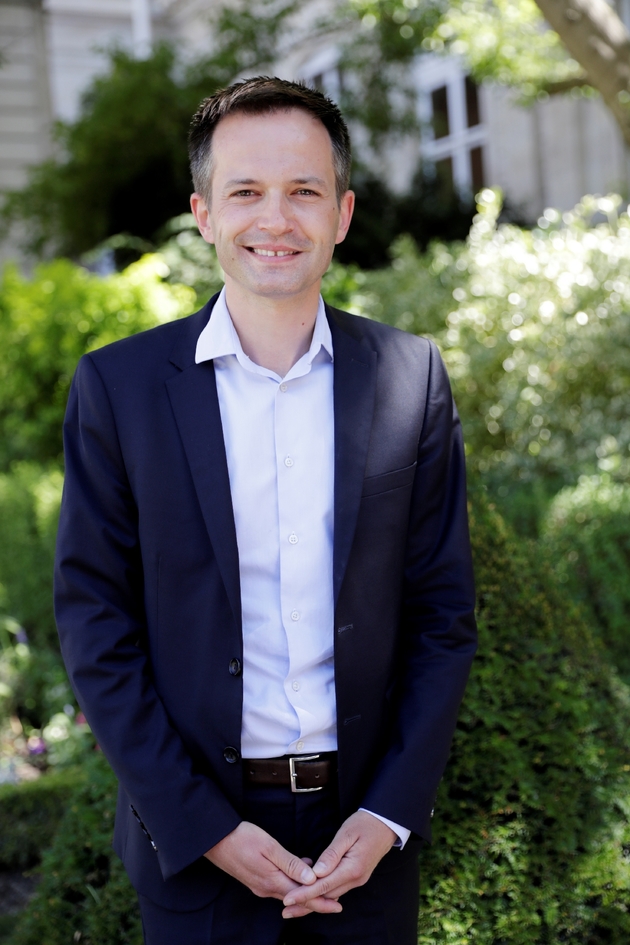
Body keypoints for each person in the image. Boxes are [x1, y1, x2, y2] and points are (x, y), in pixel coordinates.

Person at [54, 76, 477, 945]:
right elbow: (95, 621)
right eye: (245, 191)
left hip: (366, 844)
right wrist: (200, 823)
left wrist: (392, 812)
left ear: (343, 212)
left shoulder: (411, 375)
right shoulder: (120, 388)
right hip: (197, 849)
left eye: (304, 192)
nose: (275, 219)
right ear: (205, 212)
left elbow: (444, 614)